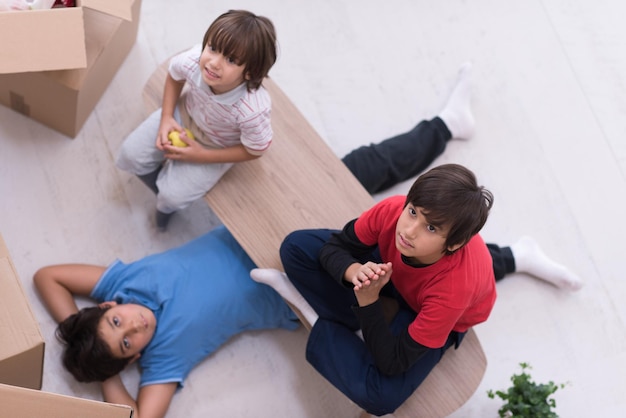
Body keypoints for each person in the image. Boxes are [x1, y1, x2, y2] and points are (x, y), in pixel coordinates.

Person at [249, 64, 584, 415]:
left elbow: (393, 363)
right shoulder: (394, 212)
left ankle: (317, 318)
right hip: (396, 273)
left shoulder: (451, 293)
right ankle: (516, 254)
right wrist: (353, 273)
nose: (408, 230)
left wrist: (367, 302)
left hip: (436, 304)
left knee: (381, 397)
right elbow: (337, 246)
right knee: (295, 249)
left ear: (453, 243)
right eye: (414, 212)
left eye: (432, 228)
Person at [34, 225, 299, 418]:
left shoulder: (124, 284)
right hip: (296, 287)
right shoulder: (164, 357)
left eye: (116, 321)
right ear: (132, 358)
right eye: (126, 342)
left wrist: (77, 326)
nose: (135, 325)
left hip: (254, 226)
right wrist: (107, 373)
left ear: (107, 305)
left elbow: (47, 277)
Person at [116, 10, 278, 230]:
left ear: (250, 72)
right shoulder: (193, 60)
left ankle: (164, 207)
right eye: (212, 48)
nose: (213, 63)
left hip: (217, 145)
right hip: (183, 115)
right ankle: (159, 184)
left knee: (171, 198)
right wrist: (166, 118)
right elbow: (174, 76)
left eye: (230, 60)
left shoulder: (252, 111)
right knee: (130, 153)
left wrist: (203, 155)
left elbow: (256, 149)